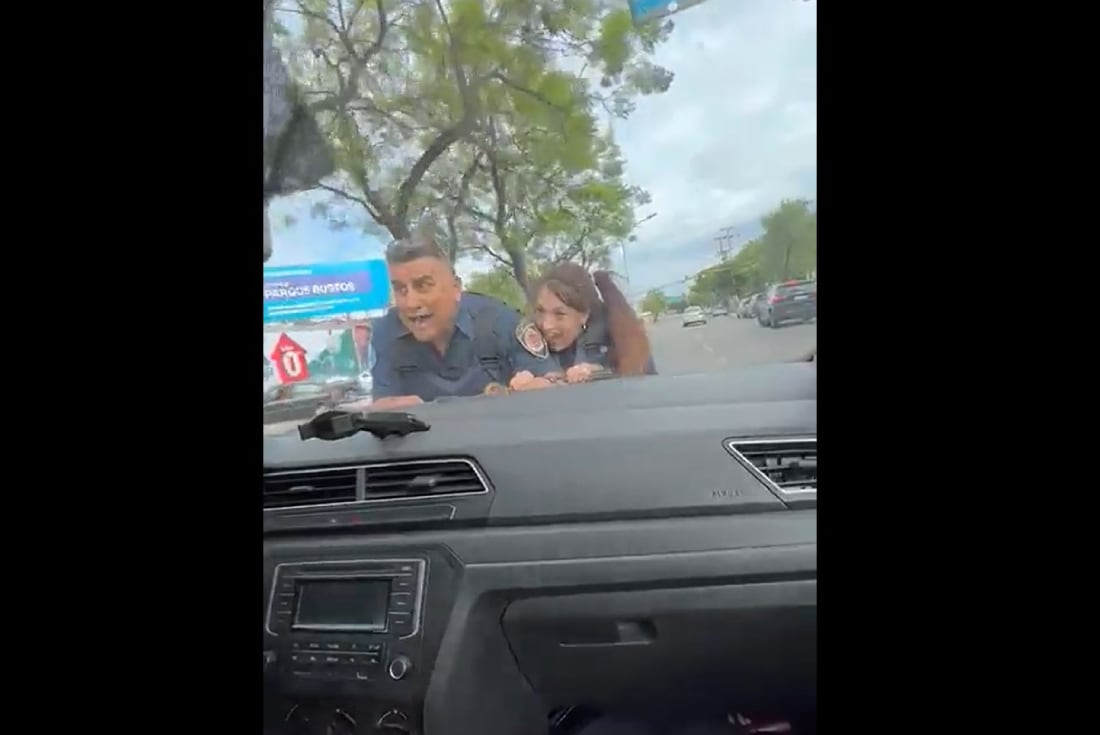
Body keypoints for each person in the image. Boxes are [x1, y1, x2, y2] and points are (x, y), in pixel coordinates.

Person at [366, 233, 560, 409]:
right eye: (400, 289)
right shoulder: (386, 334)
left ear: (456, 288)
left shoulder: (500, 322)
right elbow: (383, 405)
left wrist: (538, 386)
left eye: (423, 286)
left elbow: (555, 384)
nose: (410, 302)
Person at [511, 263, 656, 390]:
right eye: (540, 311)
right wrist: (523, 381)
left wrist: (600, 374)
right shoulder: (529, 334)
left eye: (559, 314)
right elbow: (529, 367)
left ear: (584, 315)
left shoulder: (621, 335)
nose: (546, 325)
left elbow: (643, 385)